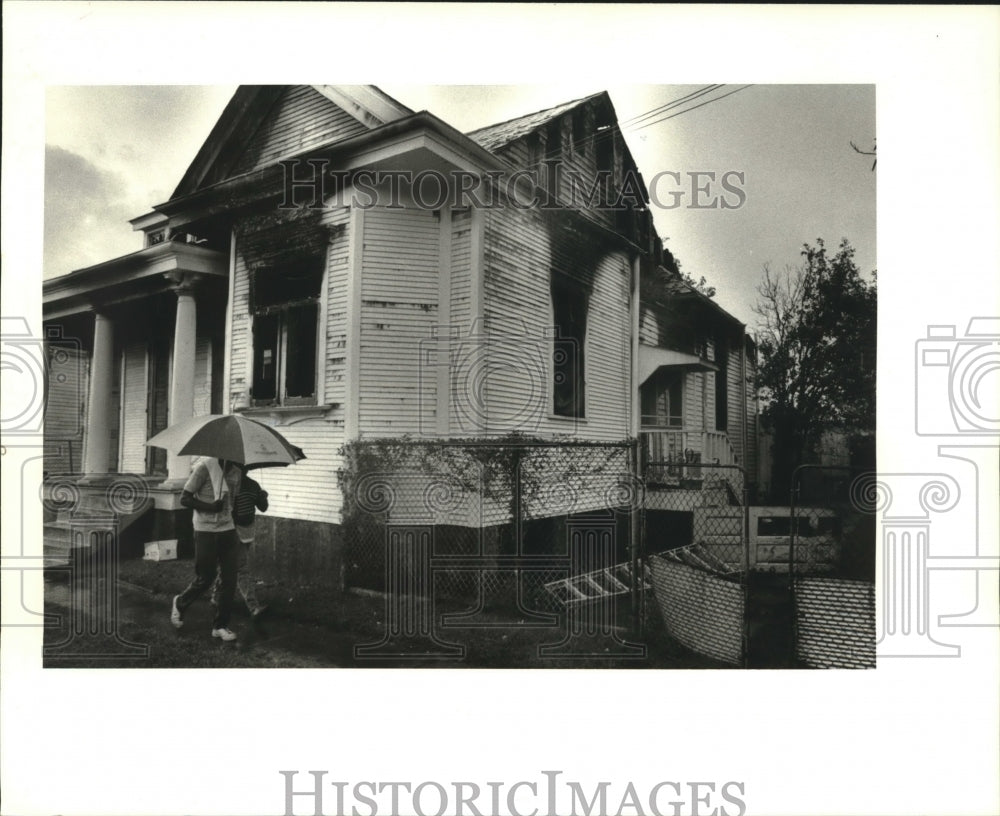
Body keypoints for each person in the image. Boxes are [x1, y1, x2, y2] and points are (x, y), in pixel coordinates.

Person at [171, 457, 243, 641]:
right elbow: (185, 498)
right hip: (205, 530)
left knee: (229, 580)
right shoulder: (204, 467)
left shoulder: (236, 472)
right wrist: (209, 507)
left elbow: (233, 502)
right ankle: (180, 602)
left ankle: (220, 626)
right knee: (206, 576)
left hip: (228, 530)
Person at [211, 467, 269, 619]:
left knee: (229, 565)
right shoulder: (228, 485)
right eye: (236, 468)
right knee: (241, 568)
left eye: (243, 468)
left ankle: (215, 596)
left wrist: (263, 497)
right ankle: (253, 606)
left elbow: (263, 508)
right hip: (232, 531)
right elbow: (227, 511)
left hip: (247, 533)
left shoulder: (253, 485)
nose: (239, 471)